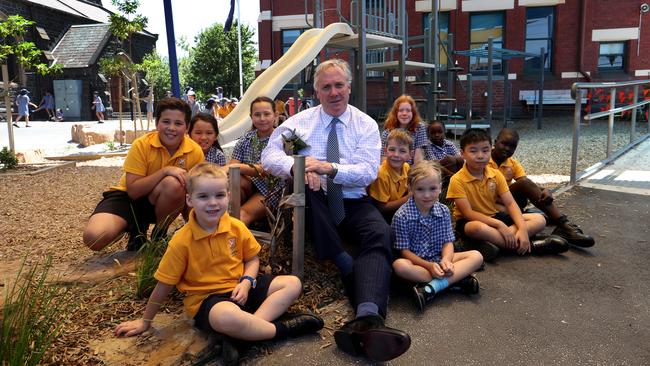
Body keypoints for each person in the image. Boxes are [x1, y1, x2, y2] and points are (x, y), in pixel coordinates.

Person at [262, 59, 411, 362]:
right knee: (309, 186)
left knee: (379, 233)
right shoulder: (300, 124)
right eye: (326, 87)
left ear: (349, 87)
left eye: (339, 85)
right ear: (316, 91)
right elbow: (270, 154)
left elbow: (367, 172)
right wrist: (299, 167)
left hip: (352, 200)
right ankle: (346, 265)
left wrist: (328, 167)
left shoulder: (365, 125)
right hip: (315, 200)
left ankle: (368, 318)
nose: (333, 92)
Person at [115, 163, 324, 365]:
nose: (213, 203)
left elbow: (251, 259)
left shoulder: (235, 226)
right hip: (209, 301)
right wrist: (145, 322)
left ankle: (246, 334)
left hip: (241, 288)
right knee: (226, 317)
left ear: (229, 196)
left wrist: (246, 281)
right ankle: (280, 330)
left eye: (219, 195)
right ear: (189, 200)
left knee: (292, 283)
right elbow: (164, 285)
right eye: (203, 196)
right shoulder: (181, 241)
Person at [82, 98, 204, 252]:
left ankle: (159, 236)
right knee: (94, 238)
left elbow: (194, 194)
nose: (171, 128)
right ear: (157, 123)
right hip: (127, 197)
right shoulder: (142, 144)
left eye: (178, 123)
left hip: (160, 202)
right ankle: (132, 229)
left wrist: (197, 230)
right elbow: (133, 190)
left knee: (175, 184)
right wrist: (165, 171)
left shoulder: (194, 151)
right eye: (166, 121)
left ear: (187, 128)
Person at [446, 129, 569, 261]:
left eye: (485, 150)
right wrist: (500, 226)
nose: (480, 155)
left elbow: (510, 203)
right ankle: (530, 246)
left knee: (540, 219)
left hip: (494, 215)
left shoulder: (495, 174)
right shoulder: (457, 180)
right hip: (471, 221)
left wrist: (522, 229)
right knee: (476, 228)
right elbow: (468, 213)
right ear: (462, 154)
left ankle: (497, 243)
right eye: (473, 151)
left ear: (490, 150)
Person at [392, 161, 483, 311]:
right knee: (399, 266)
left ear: (440, 187)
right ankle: (456, 281)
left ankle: (432, 287)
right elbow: (404, 252)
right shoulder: (402, 216)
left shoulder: (443, 211)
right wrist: (428, 266)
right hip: (418, 263)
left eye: (433, 188)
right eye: (420, 189)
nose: (427, 195)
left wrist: (446, 260)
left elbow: (447, 242)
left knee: (477, 256)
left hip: (439, 258)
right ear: (410, 188)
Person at [489, 128, 595, 247]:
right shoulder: (483, 160)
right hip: (489, 201)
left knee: (525, 185)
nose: (507, 148)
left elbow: (526, 184)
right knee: (536, 213)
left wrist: (544, 190)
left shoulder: (512, 164)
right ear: (495, 142)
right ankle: (559, 224)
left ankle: (563, 225)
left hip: (506, 200)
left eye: (512, 146)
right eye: (504, 143)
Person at [229, 96, 284, 226]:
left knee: (241, 215)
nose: (262, 118)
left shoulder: (282, 139)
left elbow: (266, 170)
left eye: (267, 114)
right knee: (235, 180)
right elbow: (232, 165)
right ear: (251, 117)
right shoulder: (246, 139)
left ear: (275, 115)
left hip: (271, 190)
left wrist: (236, 167)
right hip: (248, 186)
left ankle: (234, 241)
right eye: (257, 114)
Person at [368, 129, 412, 223]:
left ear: (410, 155)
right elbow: (382, 208)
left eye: (402, 151)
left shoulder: (406, 167)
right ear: (385, 151)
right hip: (383, 216)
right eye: (392, 150)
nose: (396, 155)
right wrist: (409, 198)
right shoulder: (381, 174)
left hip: (398, 209)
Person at [381, 94, 428, 165]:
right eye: (400, 110)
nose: (404, 113)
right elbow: (383, 159)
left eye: (408, 110)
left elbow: (419, 159)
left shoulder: (420, 128)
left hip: (411, 170)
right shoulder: (386, 133)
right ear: (395, 113)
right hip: (391, 170)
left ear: (413, 113)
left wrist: (413, 175)